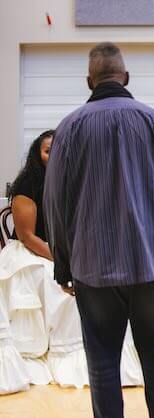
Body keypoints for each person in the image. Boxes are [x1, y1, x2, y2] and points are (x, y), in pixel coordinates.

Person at [43, 43, 154, 418]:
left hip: (92, 264)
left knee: (101, 351)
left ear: (88, 80)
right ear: (126, 77)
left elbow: (54, 200)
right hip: (150, 261)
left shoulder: (70, 127)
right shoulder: (153, 122)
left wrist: (63, 263)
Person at [0, 130, 88, 394]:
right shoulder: (27, 184)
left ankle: (78, 353)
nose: (54, 155)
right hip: (30, 249)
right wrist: (64, 260)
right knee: (47, 278)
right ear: (38, 154)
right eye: (48, 150)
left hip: (63, 250)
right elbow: (27, 236)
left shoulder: (74, 181)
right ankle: (41, 350)